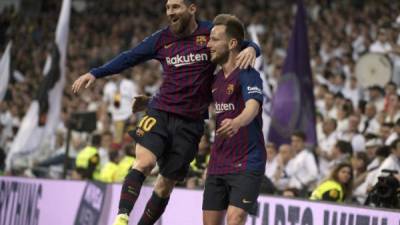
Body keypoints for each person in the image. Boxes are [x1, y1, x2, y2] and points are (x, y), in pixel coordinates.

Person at [71, 1, 260, 224]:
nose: (170, 12)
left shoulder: (211, 34)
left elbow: (239, 43)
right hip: (160, 112)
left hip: (191, 124)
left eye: (176, 7)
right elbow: (129, 57)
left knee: (164, 185)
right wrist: (96, 73)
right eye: (168, 7)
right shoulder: (161, 39)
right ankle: (122, 217)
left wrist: (253, 49)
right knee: (143, 162)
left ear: (192, 8)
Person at [202, 14, 266, 225]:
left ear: (231, 43)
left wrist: (236, 122)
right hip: (218, 161)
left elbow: (253, 107)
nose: (209, 44)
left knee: (235, 218)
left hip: (247, 161)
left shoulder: (248, 74)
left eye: (214, 40)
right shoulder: (214, 78)